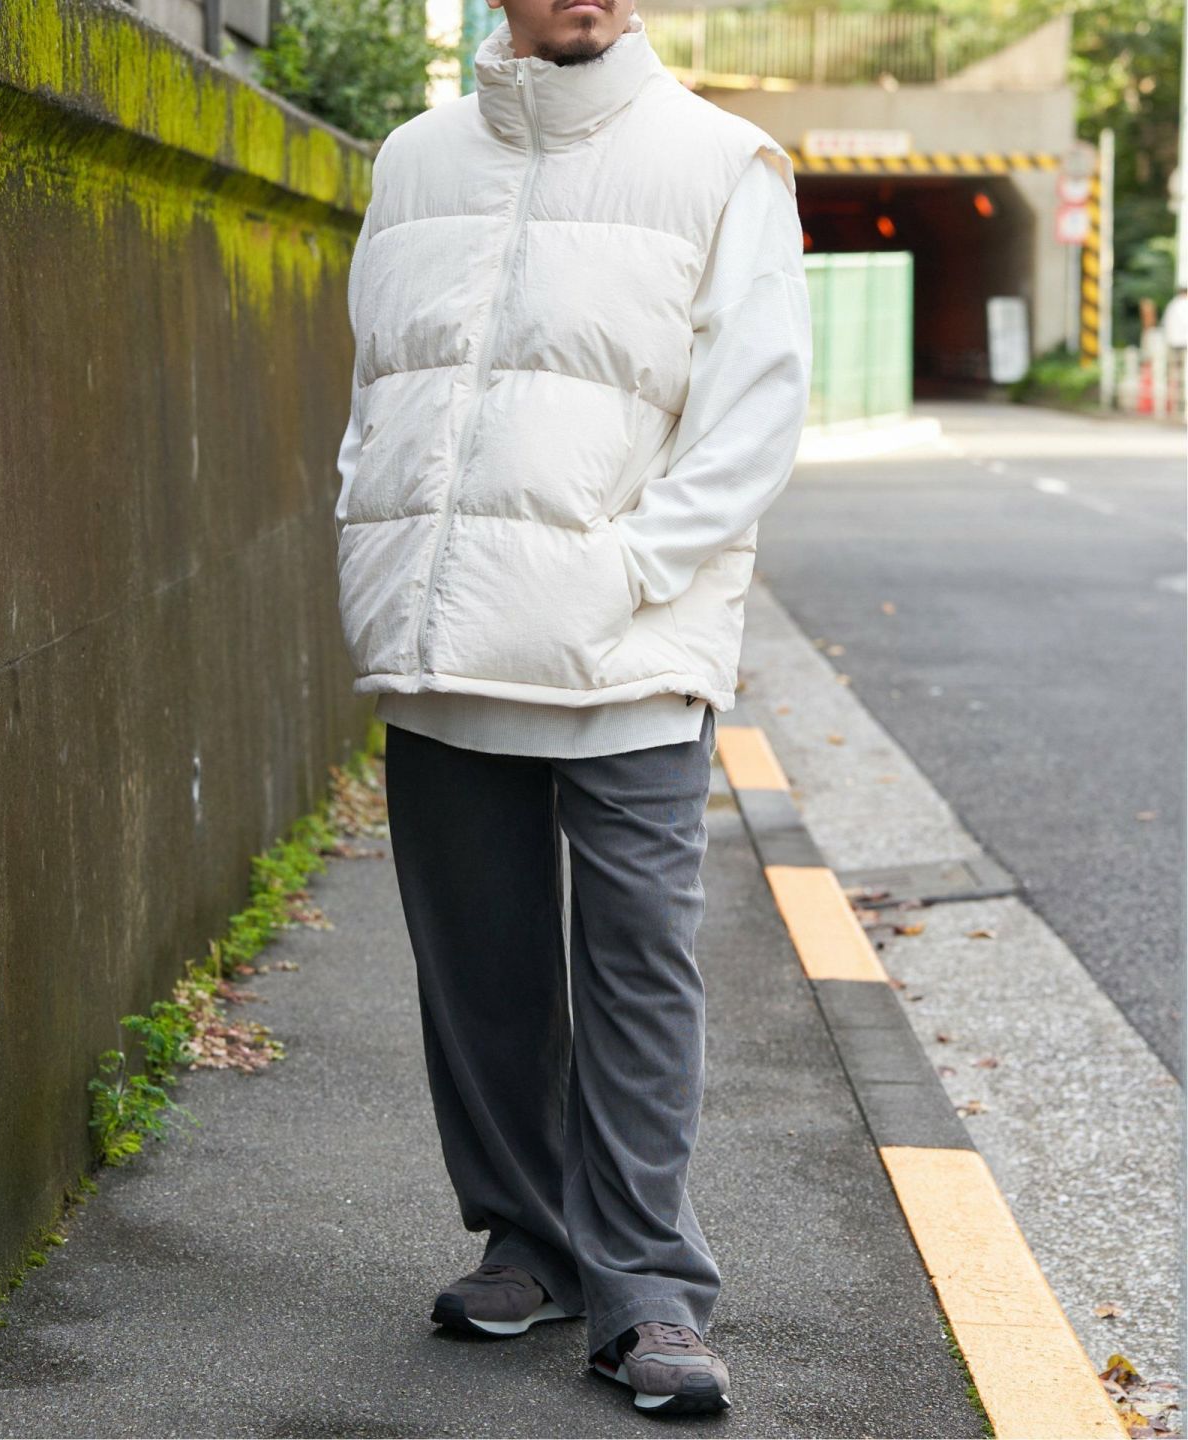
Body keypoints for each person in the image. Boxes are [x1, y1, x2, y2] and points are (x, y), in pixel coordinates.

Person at [333, 0, 811, 1415]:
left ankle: (650, 1288)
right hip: (447, 634)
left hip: (630, 646)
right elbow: (379, 386)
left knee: (638, 967)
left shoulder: (721, 162)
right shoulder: (414, 159)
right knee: (478, 969)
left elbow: (755, 411)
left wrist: (627, 573)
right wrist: (372, 544)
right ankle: (528, 1245)